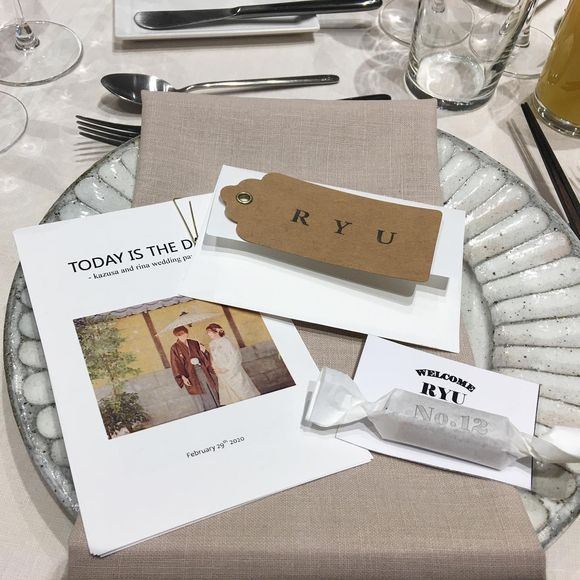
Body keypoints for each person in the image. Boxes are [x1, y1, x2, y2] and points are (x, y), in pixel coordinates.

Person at [205, 323, 260, 406]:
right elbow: (213, 358)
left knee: (242, 391)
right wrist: (215, 367)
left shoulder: (226, 341)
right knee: (230, 395)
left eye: (210, 332)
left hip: (232, 370)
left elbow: (235, 356)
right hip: (221, 372)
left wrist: (226, 368)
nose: (208, 334)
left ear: (216, 330)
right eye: (208, 333)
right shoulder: (211, 344)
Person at [169, 326, 219, 409]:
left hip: (201, 369)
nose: (182, 336)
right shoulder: (174, 348)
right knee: (198, 392)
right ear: (177, 336)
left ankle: (217, 406)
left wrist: (204, 351)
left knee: (209, 387)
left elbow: (204, 357)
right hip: (189, 373)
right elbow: (175, 364)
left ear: (187, 333)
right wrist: (183, 377)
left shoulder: (194, 343)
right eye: (179, 335)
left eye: (184, 333)